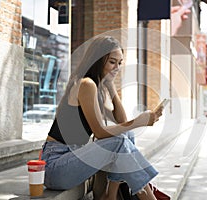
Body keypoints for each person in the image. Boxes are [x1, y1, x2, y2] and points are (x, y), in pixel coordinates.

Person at [41, 36, 163, 200]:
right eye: (112, 62)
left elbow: (121, 121)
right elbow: (100, 132)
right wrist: (138, 122)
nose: (117, 68)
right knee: (118, 141)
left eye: (120, 63)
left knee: (127, 136)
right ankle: (134, 197)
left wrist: (111, 88)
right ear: (98, 60)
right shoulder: (86, 84)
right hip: (56, 166)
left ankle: (110, 195)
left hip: (73, 159)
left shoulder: (96, 88)